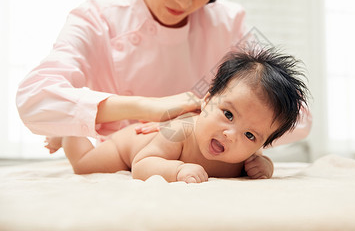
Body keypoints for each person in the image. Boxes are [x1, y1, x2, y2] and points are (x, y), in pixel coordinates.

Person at [16, 0, 312, 151]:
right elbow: (34, 99)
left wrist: (193, 122)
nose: (185, 0)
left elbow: (298, 117)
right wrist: (149, 108)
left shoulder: (229, 21)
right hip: (124, 161)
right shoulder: (97, 18)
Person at [48, 49, 309, 183]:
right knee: (85, 165)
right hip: (129, 147)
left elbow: (260, 160)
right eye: (228, 114)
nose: (231, 134)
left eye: (250, 135)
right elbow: (141, 164)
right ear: (207, 102)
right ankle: (69, 131)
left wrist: (265, 167)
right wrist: (177, 170)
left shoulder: (248, 153)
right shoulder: (182, 130)